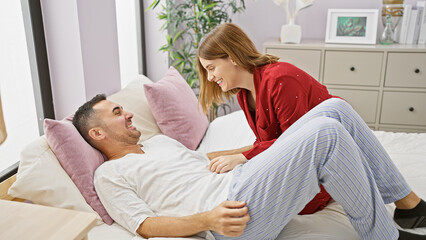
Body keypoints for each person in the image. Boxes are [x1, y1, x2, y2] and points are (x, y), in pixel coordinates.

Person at [72, 94, 426, 240]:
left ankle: (406, 206)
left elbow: (202, 161)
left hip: (243, 181)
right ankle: (385, 237)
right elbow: (144, 225)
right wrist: (207, 220)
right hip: (232, 214)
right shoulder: (109, 175)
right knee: (327, 134)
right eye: (117, 113)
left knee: (334, 109)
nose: (129, 113)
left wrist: (256, 150)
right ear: (97, 132)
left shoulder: (158, 143)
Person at [196, 22, 426, 222]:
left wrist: (243, 157)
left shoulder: (280, 79)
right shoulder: (244, 95)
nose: (210, 77)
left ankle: (407, 203)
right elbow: (270, 142)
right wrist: (221, 157)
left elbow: (297, 142)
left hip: (326, 158)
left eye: (211, 68)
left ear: (232, 57)